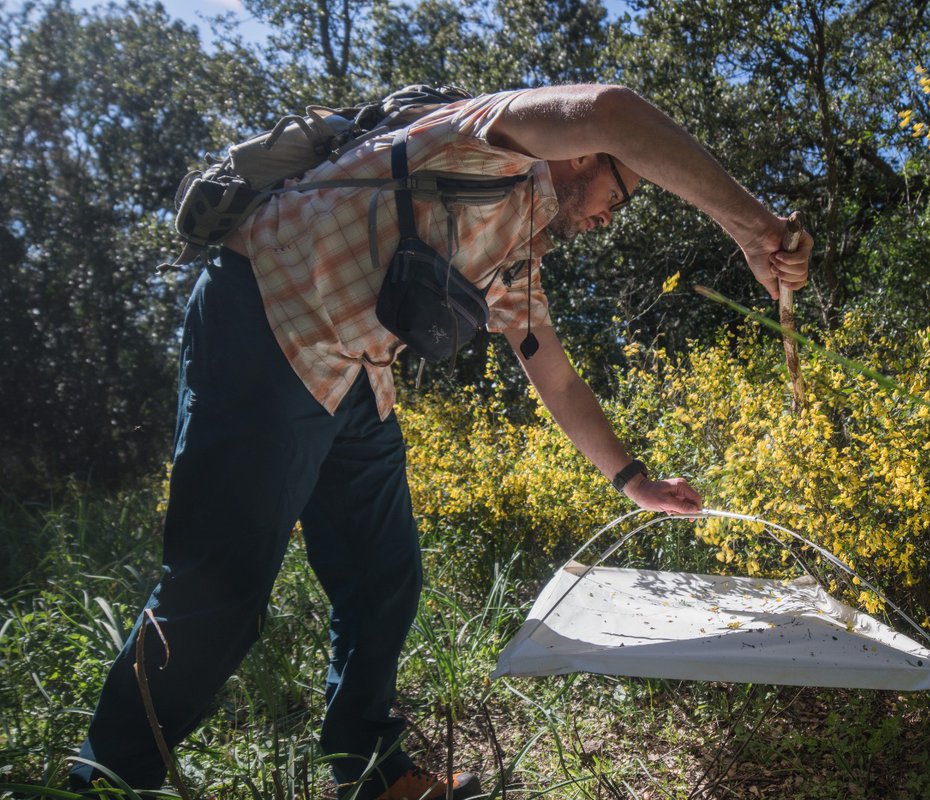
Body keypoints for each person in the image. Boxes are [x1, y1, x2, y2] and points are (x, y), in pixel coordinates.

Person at [67, 84, 812, 799]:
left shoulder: (515, 258)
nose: (608, 219)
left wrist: (634, 482)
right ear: (583, 155)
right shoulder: (477, 139)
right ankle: (103, 783)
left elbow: (556, 379)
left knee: (383, 576)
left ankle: (372, 776)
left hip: (355, 378)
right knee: (221, 591)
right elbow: (611, 108)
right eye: (617, 197)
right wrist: (752, 227)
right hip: (266, 319)